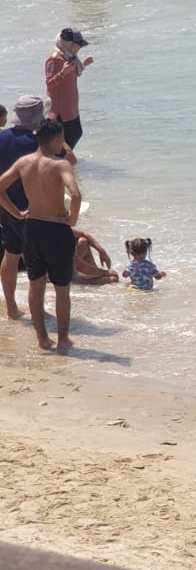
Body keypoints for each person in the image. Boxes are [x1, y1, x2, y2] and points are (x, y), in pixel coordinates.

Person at [0, 120, 82, 351]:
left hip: (31, 228)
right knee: (61, 288)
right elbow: (75, 194)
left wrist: (16, 213)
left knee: (36, 286)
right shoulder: (59, 165)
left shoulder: (23, 162)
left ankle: (43, 340)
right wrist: (72, 219)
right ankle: (63, 339)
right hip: (55, 230)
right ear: (56, 140)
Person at [0, 96, 62, 320]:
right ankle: (38, 310)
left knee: (11, 253)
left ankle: (11, 308)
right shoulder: (38, 144)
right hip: (33, 208)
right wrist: (54, 133)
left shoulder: (1, 137)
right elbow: (68, 161)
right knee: (35, 260)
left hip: (5, 205)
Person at [45, 29, 93, 149]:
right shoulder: (54, 59)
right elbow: (49, 84)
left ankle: (64, 160)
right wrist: (62, 73)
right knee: (65, 140)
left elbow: (71, 75)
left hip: (71, 106)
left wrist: (84, 65)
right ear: (69, 44)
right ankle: (60, 162)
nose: (79, 48)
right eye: (78, 45)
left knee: (76, 133)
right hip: (60, 110)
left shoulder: (70, 57)